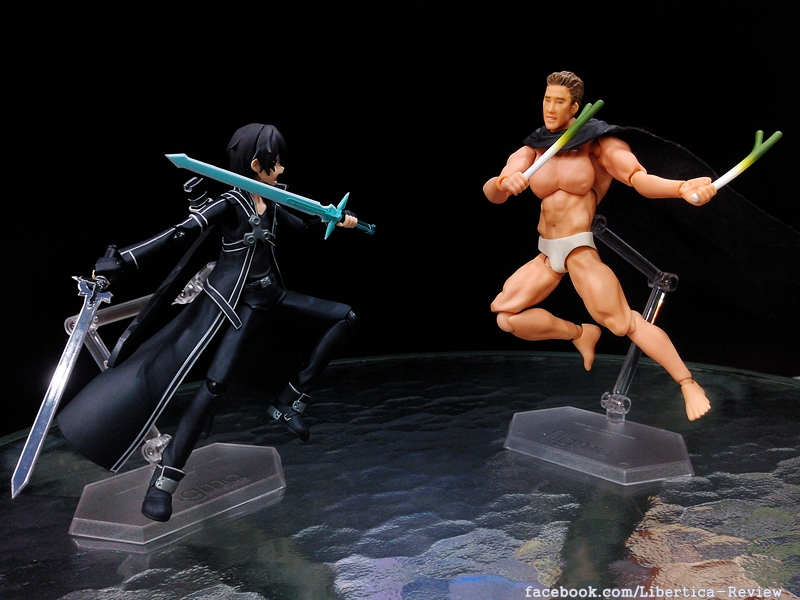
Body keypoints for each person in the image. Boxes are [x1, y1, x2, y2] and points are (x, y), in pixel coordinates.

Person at [58, 123, 360, 521]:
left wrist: (336, 219)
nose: (282, 170)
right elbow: (178, 234)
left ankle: (290, 399)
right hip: (239, 305)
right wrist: (122, 262)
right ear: (256, 164)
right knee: (214, 386)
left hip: (273, 295)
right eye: (276, 163)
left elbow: (304, 225)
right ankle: (165, 478)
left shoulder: (272, 200)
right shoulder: (231, 204)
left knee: (344, 316)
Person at [483, 71, 715, 422]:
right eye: (547, 100)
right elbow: (494, 193)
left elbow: (639, 179)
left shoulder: (597, 144)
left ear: (575, 107)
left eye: (559, 102)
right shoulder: (535, 146)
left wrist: (680, 188)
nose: (550, 108)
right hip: (546, 253)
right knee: (506, 317)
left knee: (622, 323)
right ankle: (579, 333)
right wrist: (504, 181)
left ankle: (687, 383)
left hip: (578, 250)